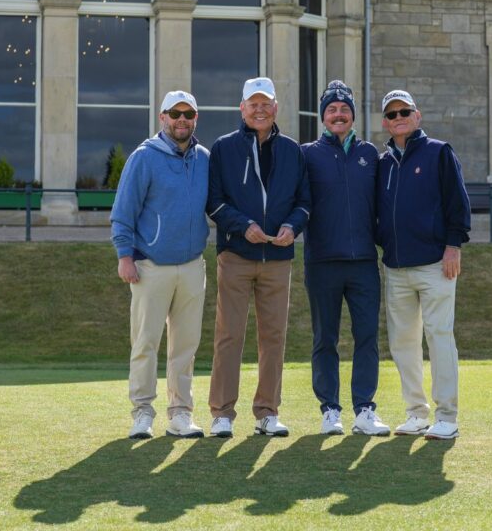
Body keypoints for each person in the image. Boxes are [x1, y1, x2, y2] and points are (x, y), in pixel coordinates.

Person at [206, 76, 311, 438]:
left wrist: (292, 227)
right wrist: (242, 225)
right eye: (254, 103)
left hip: (278, 258)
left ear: (276, 108)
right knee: (228, 335)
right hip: (236, 254)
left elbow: (304, 203)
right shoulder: (223, 148)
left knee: (274, 337)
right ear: (243, 108)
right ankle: (222, 413)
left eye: (266, 102)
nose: (260, 109)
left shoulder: (293, 151)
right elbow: (214, 201)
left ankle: (267, 412)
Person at [110, 90, 210, 440]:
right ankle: (142, 413)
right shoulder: (143, 157)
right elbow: (123, 212)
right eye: (175, 113)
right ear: (162, 117)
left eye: (188, 113)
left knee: (186, 345)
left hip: (193, 266)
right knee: (145, 343)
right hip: (150, 266)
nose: (182, 119)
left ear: (195, 118)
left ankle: (181, 413)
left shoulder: (205, 158)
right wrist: (125, 256)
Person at [376, 89, 471, 440]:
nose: (398, 118)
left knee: (439, 337)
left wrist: (453, 245)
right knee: (403, 342)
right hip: (396, 267)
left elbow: (457, 203)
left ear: (418, 116)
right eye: (392, 114)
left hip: (436, 263)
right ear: (386, 122)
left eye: (405, 111)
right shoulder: (383, 163)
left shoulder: (439, 153)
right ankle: (416, 413)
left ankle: (447, 416)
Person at [301, 80, 390, 436]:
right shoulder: (307, 154)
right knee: (325, 338)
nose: (339, 114)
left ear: (352, 115)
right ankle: (330, 410)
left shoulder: (371, 155)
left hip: (364, 263)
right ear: (324, 116)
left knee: (367, 336)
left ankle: (364, 409)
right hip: (322, 262)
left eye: (344, 109)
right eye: (332, 109)